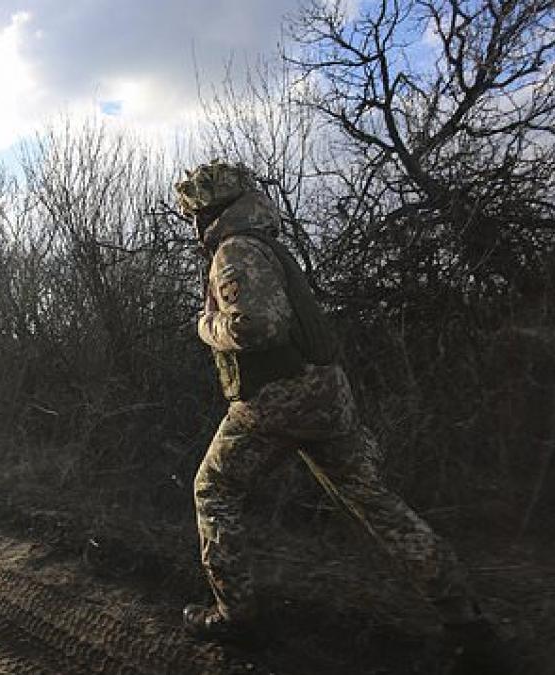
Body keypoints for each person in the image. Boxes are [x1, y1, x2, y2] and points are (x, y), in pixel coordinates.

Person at [174, 161, 509, 668]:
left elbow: (257, 326)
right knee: (375, 503)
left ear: (209, 212)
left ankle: (235, 616)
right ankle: (464, 618)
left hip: (276, 399)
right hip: (329, 395)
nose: (194, 225)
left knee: (213, 490)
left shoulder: (235, 249)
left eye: (195, 215)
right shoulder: (270, 246)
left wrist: (207, 326)